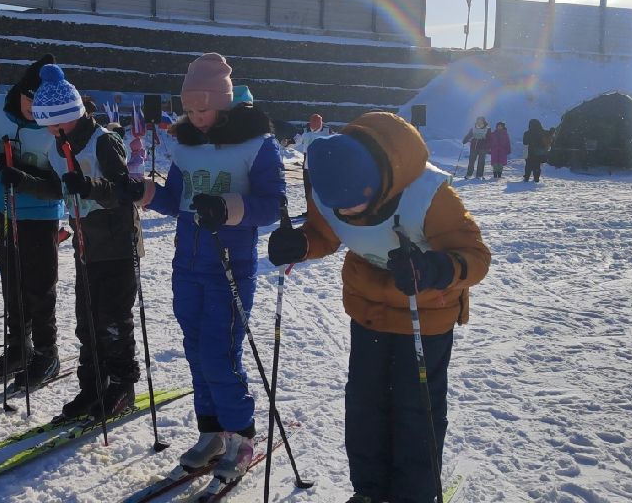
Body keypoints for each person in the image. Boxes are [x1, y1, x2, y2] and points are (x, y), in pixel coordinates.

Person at [267, 112, 491, 503]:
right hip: (368, 307)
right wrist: (300, 244)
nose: (348, 215)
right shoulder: (329, 184)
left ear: (378, 185)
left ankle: (414, 493)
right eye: (342, 209)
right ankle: (369, 489)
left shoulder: (428, 193)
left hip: (426, 312)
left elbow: (475, 256)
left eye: (356, 206)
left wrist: (436, 267)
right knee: (365, 404)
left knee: (415, 410)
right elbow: (324, 233)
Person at [136, 53, 286, 482]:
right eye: (189, 110)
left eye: (203, 109)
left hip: (230, 265)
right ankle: (212, 432)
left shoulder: (256, 144)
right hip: (188, 263)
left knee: (221, 355)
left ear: (223, 104)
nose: (196, 117)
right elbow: (176, 200)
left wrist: (226, 208)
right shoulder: (186, 145)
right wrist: (142, 192)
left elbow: (273, 204)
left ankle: (241, 436)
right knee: (196, 352)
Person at [32, 65, 141, 418]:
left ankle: (122, 387)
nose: (48, 130)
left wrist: (90, 186)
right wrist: (25, 181)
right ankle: (92, 387)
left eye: (51, 123)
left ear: (67, 118)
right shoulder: (56, 146)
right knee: (87, 321)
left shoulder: (103, 142)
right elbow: (60, 187)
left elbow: (124, 192)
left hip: (117, 244)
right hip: (86, 244)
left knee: (112, 320)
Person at [0, 54, 65, 386]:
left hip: (41, 215)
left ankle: (47, 353)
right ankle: (19, 347)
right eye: (30, 98)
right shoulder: (2, 109)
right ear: (20, 92)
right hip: (6, 209)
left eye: (41, 102)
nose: (33, 107)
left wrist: (26, 177)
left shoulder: (56, 125)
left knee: (40, 288)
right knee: (11, 283)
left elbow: (61, 185)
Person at [522, 118, 554, 183]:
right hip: (539, 152)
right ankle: (536, 178)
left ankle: (526, 177)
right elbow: (549, 134)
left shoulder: (527, 133)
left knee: (528, 165)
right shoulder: (542, 132)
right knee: (537, 166)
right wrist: (552, 131)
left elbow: (525, 143)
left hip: (529, 152)